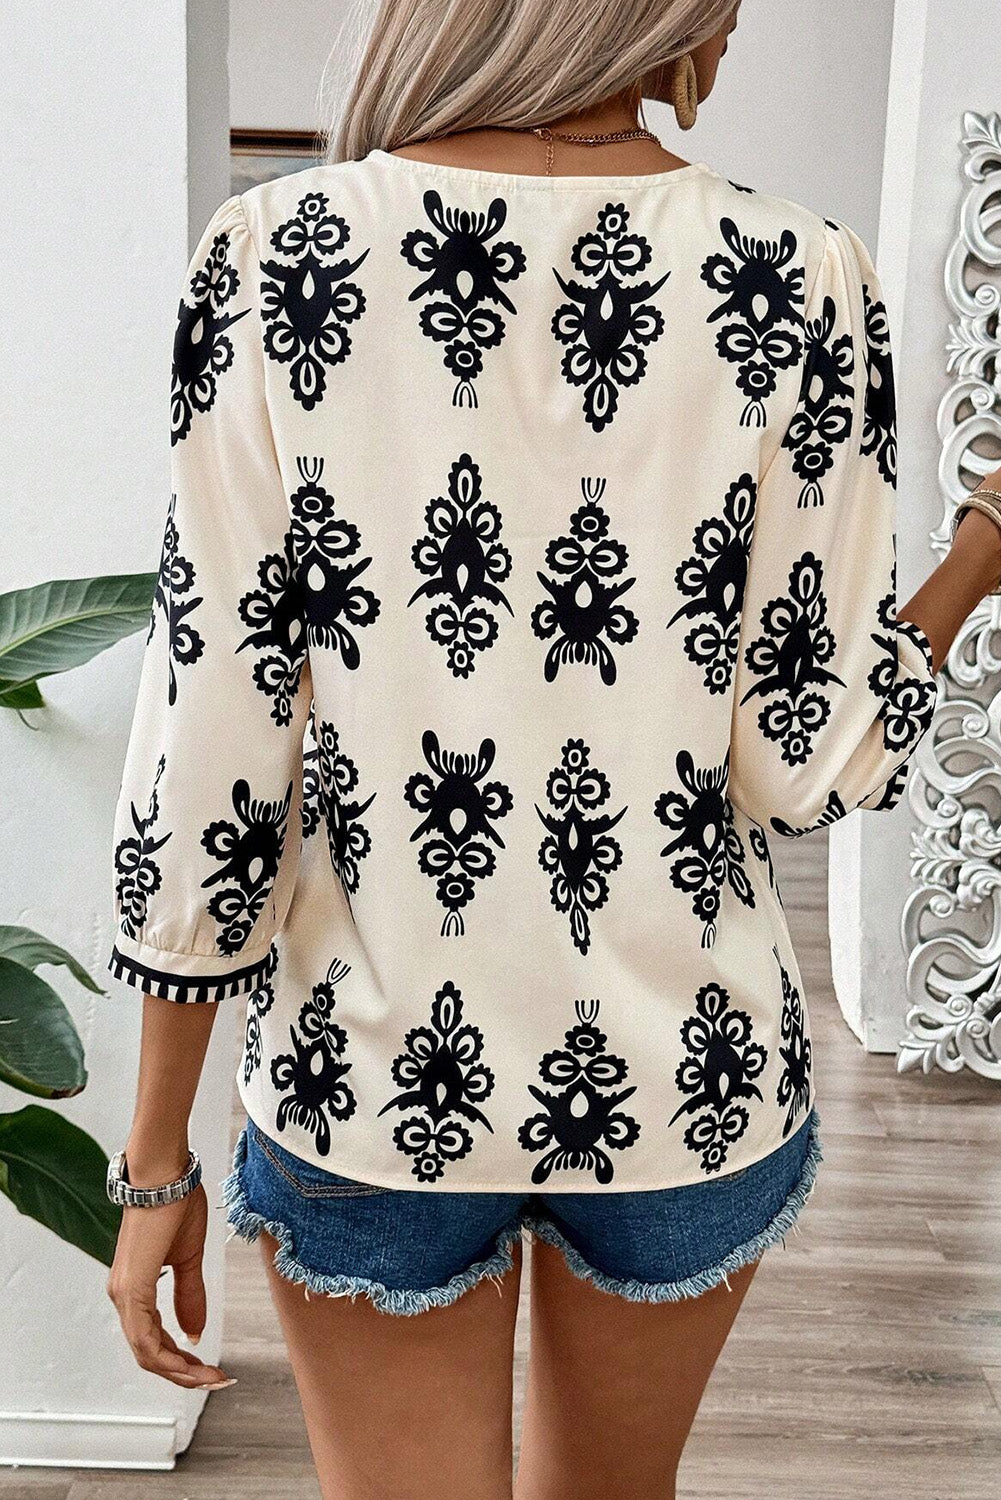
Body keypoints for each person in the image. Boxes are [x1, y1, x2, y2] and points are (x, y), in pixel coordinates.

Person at [103, 3, 1001, 1496]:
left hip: (369, 1076)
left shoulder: (276, 255)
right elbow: (809, 757)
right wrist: (982, 545)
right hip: (684, 1072)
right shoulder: (798, 272)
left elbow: (213, 738)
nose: (730, 36)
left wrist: (152, 1164)